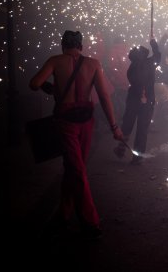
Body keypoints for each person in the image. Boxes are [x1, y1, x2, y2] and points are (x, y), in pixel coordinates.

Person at [29, 30, 124, 239]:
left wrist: (50, 88)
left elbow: (34, 83)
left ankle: (87, 221)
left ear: (63, 45)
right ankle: (71, 214)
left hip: (66, 124)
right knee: (76, 167)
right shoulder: (93, 64)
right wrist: (114, 127)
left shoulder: (55, 61)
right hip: (87, 122)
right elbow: (104, 96)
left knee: (75, 169)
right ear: (80, 46)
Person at [113, 35, 161, 164]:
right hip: (146, 100)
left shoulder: (132, 68)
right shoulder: (150, 63)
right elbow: (157, 56)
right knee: (142, 129)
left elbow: (137, 82)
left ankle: (122, 148)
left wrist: (142, 96)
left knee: (127, 125)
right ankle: (137, 156)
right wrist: (153, 43)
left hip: (135, 99)